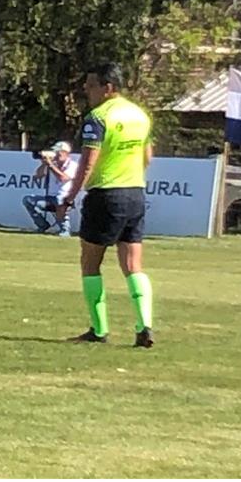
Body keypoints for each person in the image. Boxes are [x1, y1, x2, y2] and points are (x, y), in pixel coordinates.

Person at [56, 63, 155, 348]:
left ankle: (99, 330)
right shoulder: (139, 114)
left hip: (105, 195)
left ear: (107, 87)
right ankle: (144, 326)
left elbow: (88, 162)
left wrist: (70, 196)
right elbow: (147, 156)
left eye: (91, 86)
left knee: (90, 262)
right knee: (133, 264)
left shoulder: (97, 117)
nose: (87, 91)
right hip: (135, 193)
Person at [23, 141, 78, 236]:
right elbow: (38, 176)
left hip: (66, 198)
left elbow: (63, 178)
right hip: (50, 198)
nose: (56, 154)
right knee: (28, 200)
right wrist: (45, 164)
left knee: (59, 199)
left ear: (66, 153)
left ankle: (65, 229)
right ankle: (42, 225)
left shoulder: (73, 165)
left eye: (59, 152)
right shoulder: (53, 164)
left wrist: (51, 166)